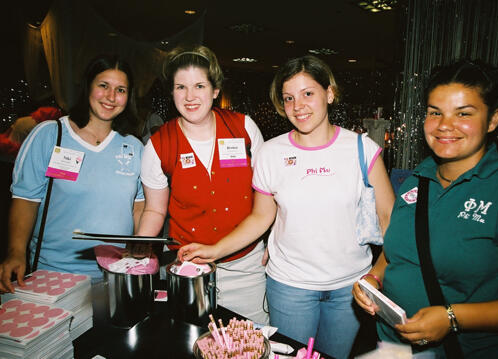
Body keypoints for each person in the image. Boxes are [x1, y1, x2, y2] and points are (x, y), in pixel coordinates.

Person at [179, 55, 395, 359]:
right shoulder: (271, 152)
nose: (298, 106)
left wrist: (378, 274)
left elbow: (389, 219)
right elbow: (261, 216)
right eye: (289, 98)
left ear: (329, 93)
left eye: (308, 94)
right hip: (290, 286)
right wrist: (215, 249)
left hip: (349, 287)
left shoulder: (362, 149)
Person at [352, 59, 498, 358]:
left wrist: (451, 318)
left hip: (464, 351)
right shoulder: (415, 180)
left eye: (464, 113)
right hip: (393, 345)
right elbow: (397, 254)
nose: (445, 125)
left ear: (493, 120)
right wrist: (372, 280)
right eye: (435, 113)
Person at [136, 45, 268, 325]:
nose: (190, 96)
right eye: (180, 87)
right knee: (192, 343)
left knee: (249, 343)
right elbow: (154, 211)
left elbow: (269, 198)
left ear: (215, 90)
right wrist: (140, 248)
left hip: (244, 267)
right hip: (188, 269)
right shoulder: (159, 145)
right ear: (171, 93)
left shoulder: (244, 128)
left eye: (199, 85)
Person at [0, 54, 144, 292]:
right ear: (88, 87)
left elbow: (139, 207)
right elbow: (26, 200)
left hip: (115, 278)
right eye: (103, 86)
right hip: (54, 275)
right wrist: (15, 252)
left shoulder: (134, 147)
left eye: (121, 90)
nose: (111, 97)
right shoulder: (50, 135)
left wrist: (139, 250)